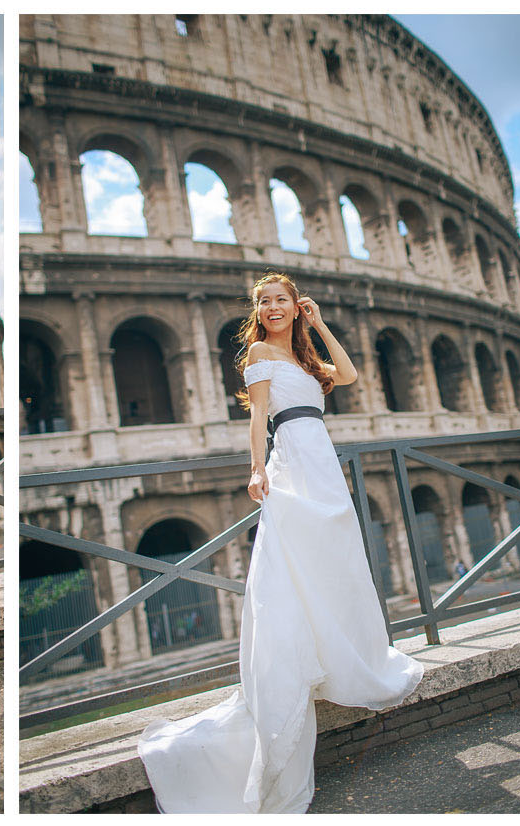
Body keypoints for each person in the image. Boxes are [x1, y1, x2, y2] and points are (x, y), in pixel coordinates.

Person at [137, 272, 423, 813]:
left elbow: (351, 374)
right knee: (294, 568)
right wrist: (255, 470)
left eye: (281, 301)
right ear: (258, 311)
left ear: (296, 306)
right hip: (292, 462)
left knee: (335, 563)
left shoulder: (307, 358)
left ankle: (345, 658)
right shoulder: (258, 354)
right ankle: (303, 667)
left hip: (322, 462)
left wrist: (320, 325)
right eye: (264, 302)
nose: (272, 308)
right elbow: (260, 418)